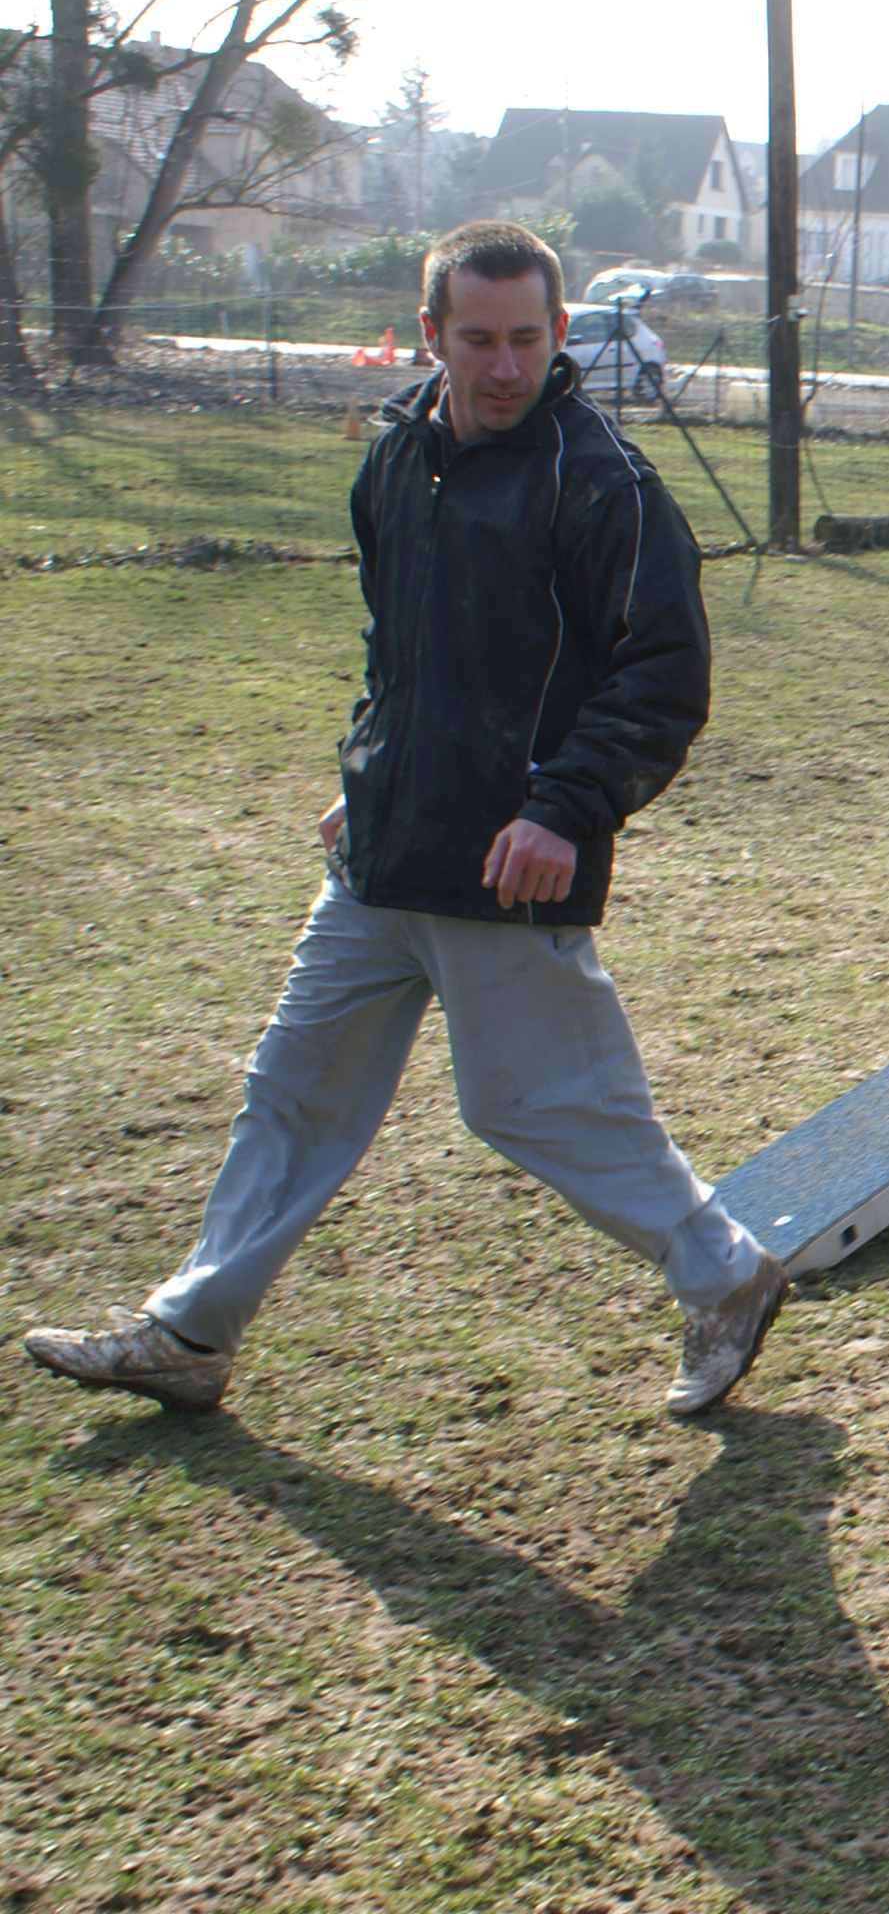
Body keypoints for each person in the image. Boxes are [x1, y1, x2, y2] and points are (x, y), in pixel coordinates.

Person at [25, 220, 788, 1418]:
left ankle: (726, 1273)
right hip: (384, 844)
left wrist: (562, 811)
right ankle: (192, 1331)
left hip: (510, 859)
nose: (505, 366)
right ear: (430, 335)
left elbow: (663, 679)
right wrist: (373, 767)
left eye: (527, 338)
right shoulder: (394, 458)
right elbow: (398, 645)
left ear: (558, 332)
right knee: (295, 1086)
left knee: (536, 1105)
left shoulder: (602, 484)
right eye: (477, 339)